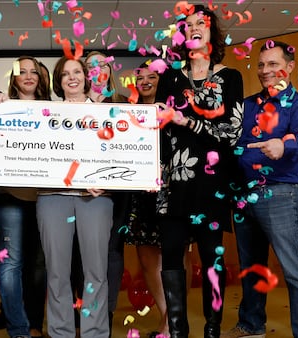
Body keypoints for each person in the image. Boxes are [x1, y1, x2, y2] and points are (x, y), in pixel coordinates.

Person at [222, 40, 298, 338]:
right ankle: (252, 325)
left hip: (282, 195)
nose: (266, 71)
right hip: (244, 196)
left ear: (289, 67)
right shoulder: (248, 105)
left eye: (274, 64)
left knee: (296, 272)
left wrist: (285, 143)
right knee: (251, 268)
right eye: (262, 65)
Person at [155, 4, 244, 337]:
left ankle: (212, 328)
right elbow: (159, 131)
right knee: (173, 257)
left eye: (200, 24)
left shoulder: (229, 77)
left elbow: (231, 133)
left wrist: (186, 120)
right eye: (187, 24)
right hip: (173, 183)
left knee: (211, 258)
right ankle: (178, 330)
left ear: (211, 31)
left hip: (212, 184)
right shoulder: (170, 77)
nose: (193, 28)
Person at [36, 55, 113, 338]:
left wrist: (104, 181)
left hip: (96, 199)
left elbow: (118, 157)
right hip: (53, 197)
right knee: (56, 273)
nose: (72, 77)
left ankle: (95, 333)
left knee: (96, 273)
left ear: (85, 76)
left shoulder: (108, 114)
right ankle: (61, 333)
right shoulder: (44, 114)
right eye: (65, 73)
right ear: (58, 81)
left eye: (77, 72)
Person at [0, 55, 51, 338]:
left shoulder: (55, 110)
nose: (27, 76)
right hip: (9, 196)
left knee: (38, 264)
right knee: (11, 263)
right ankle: (17, 325)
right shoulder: (1, 105)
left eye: (33, 72)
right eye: (21, 72)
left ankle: (35, 323)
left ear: (40, 78)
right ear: (13, 78)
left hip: (45, 198)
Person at [84, 50, 130, 336]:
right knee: (82, 256)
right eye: (90, 65)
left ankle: (107, 316)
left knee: (111, 252)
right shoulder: (73, 106)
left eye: (101, 64)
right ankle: (86, 316)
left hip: (119, 191)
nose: (96, 69)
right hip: (81, 191)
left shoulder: (125, 105)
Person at [125, 62, 169, 338]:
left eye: (152, 76)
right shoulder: (127, 113)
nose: (145, 81)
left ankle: (171, 320)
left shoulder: (173, 110)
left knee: (173, 256)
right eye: (140, 77)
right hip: (139, 194)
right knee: (146, 256)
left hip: (171, 192)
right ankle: (166, 315)